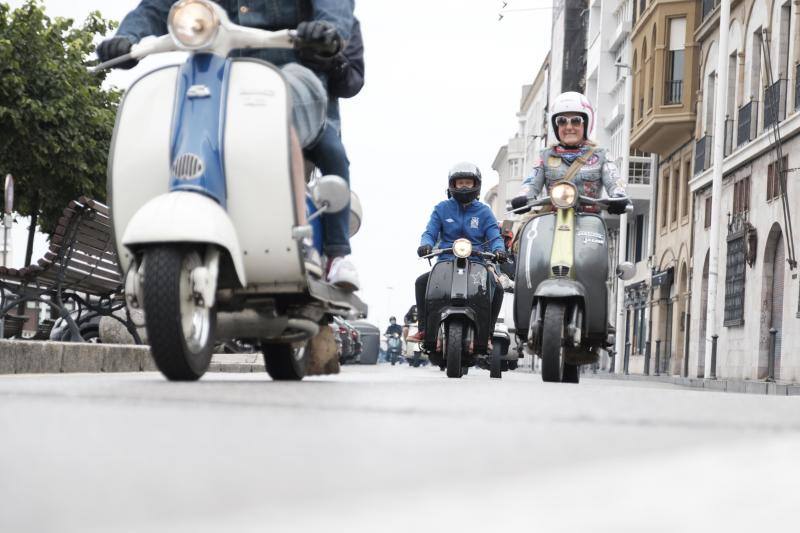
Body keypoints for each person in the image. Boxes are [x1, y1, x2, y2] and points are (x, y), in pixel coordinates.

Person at [96, 0, 362, 290]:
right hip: (221, 77)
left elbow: (334, 10)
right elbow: (156, 8)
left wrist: (326, 32)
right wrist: (127, 36)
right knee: (167, 122)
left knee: (305, 134)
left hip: (295, 73)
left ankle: (332, 253)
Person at [406, 163, 507, 343]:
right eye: (460, 183)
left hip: (477, 264)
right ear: (452, 185)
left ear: (476, 185)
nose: (464, 187)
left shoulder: (485, 211)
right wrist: (426, 245)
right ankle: (423, 329)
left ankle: (488, 334)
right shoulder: (441, 209)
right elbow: (430, 232)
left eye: (468, 182)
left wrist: (499, 250)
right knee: (421, 283)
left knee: (497, 288)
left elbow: (494, 236)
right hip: (445, 262)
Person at [510, 92, 628, 215]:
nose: (569, 127)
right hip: (552, 221)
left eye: (576, 121)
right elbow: (531, 183)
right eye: (562, 121)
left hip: (589, 224)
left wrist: (618, 195)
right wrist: (523, 196)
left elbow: (614, 180)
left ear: (586, 123)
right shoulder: (545, 156)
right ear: (556, 126)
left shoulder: (601, 156)